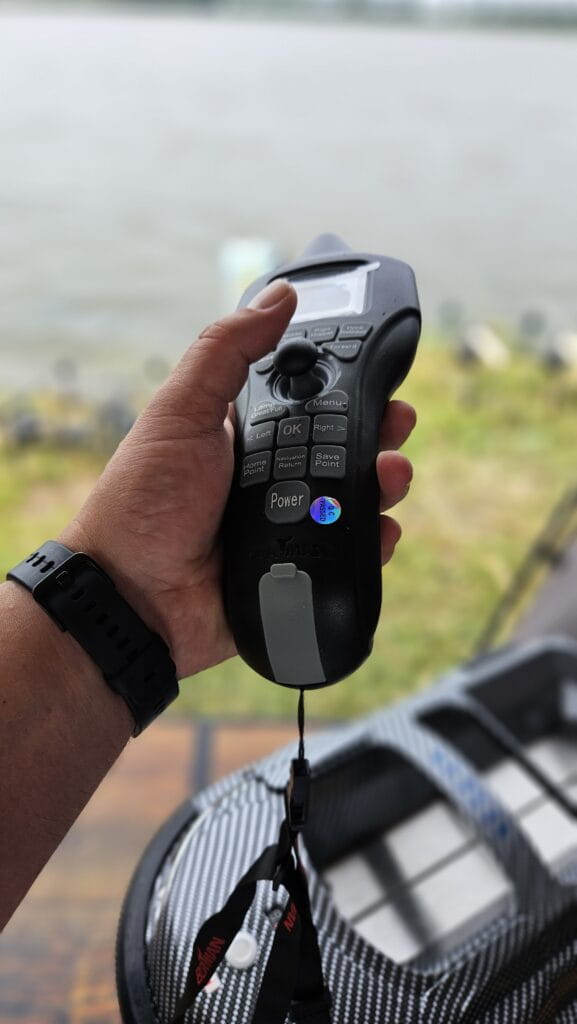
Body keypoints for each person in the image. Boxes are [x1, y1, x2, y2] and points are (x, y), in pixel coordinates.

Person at [0, 279, 415, 930]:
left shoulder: (282, 353)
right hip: (271, 585)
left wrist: (128, 591)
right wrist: (128, 587)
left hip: (267, 589)